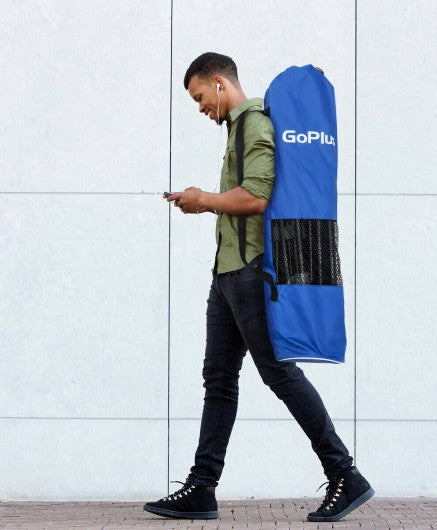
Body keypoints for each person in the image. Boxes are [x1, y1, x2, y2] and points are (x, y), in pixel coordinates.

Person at [143, 52, 374, 524]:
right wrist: (203, 202)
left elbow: (256, 196)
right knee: (218, 380)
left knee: (279, 374)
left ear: (220, 83)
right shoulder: (236, 128)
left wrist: (204, 200)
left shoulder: (255, 125)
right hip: (226, 274)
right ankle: (202, 488)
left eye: (200, 97)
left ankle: (344, 473)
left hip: (250, 273)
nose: (201, 108)